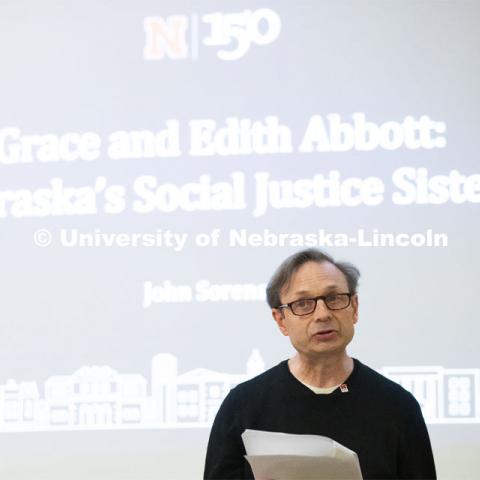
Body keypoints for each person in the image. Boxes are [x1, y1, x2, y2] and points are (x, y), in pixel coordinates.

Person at [204, 248, 436, 479]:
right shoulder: (243, 405)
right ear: (281, 320)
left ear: (354, 308)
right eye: (303, 304)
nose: (322, 314)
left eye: (334, 298)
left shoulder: (397, 406)